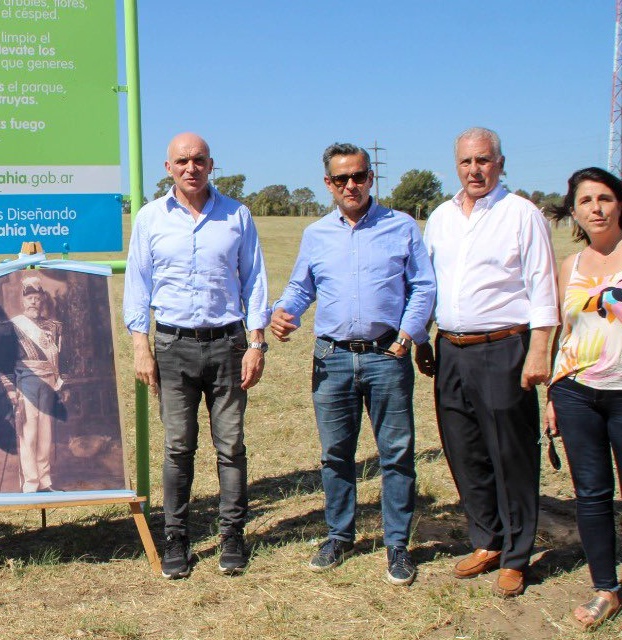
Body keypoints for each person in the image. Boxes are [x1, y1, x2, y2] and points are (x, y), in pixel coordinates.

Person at [270, 143, 436, 586]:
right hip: (332, 358)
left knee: (397, 455)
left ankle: (397, 545)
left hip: (387, 356)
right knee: (335, 454)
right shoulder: (316, 234)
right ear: (328, 183)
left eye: (358, 176)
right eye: (341, 179)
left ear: (370, 178)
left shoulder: (401, 227)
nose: (351, 185)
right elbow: (301, 288)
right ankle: (339, 535)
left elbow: (423, 286)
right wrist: (283, 312)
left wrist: (408, 335)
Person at [416, 127, 558, 598]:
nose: (474, 170)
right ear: (455, 165)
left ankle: (517, 556)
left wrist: (539, 350)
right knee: (464, 448)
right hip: (450, 348)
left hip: (504, 348)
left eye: (483, 161)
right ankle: (487, 539)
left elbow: (541, 287)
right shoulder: (439, 217)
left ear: (500, 162)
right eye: (466, 162)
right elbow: (427, 285)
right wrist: (421, 338)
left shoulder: (522, 214)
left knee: (510, 453)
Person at [124, 132, 268, 579]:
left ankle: (232, 538)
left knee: (230, 447)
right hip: (172, 346)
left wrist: (257, 343)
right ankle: (177, 539)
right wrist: (140, 347)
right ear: (168, 168)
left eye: (199, 160)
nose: (191, 167)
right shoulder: (150, 219)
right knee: (177, 448)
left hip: (228, 345)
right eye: (182, 161)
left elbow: (255, 281)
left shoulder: (237, 216)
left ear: (211, 164)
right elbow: (137, 286)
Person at [544, 168, 622, 630]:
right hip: (577, 393)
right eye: (586, 200)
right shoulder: (569, 267)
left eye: (606, 198)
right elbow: (565, 334)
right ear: (574, 210)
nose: (596, 207)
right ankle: (605, 589)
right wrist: (553, 394)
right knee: (591, 495)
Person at [0, 275, 64, 493]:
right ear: (22, 300)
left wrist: (62, 386)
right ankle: (30, 484)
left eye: (37, 297)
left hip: (49, 382)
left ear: (42, 299)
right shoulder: (12, 326)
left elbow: (60, 359)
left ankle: (45, 481)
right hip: (25, 381)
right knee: (29, 433)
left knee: (46, 434)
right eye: (30, 297)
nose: (34, 301)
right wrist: (11, 392)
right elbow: (4, 362)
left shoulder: (54, 327)